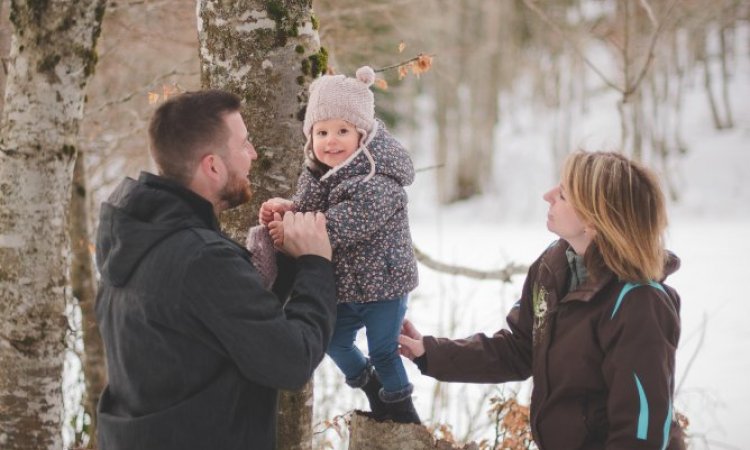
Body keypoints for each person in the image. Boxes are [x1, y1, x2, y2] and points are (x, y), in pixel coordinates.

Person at [94, 89, 337, 450]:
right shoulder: (200, 259)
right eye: (244, 144)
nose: (253, 154)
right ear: (212, 166)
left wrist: (286, 256)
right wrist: (316, 264)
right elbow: (291, 360)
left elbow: (231, 325)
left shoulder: (137, 238)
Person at [399, 150, 686, 449]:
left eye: (562, 194)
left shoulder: (639, 303)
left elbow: (641, 431)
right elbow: (519, 349)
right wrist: (429, 351)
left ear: (595, 219)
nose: (547, 195)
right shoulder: (554, 265)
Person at [251, 66, 420, 424]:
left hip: (384, 286)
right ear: (310, 136)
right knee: (334, 342)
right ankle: (373, 388)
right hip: (347, 287)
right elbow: (310, 208)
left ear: (363, 134)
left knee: (384, 351)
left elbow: (341, 225)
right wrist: (288, 210)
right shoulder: (319, 172)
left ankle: (403, 413)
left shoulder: (378, 181)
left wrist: (292, 231)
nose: (331, 141)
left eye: (342, 131)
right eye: (322, 132)